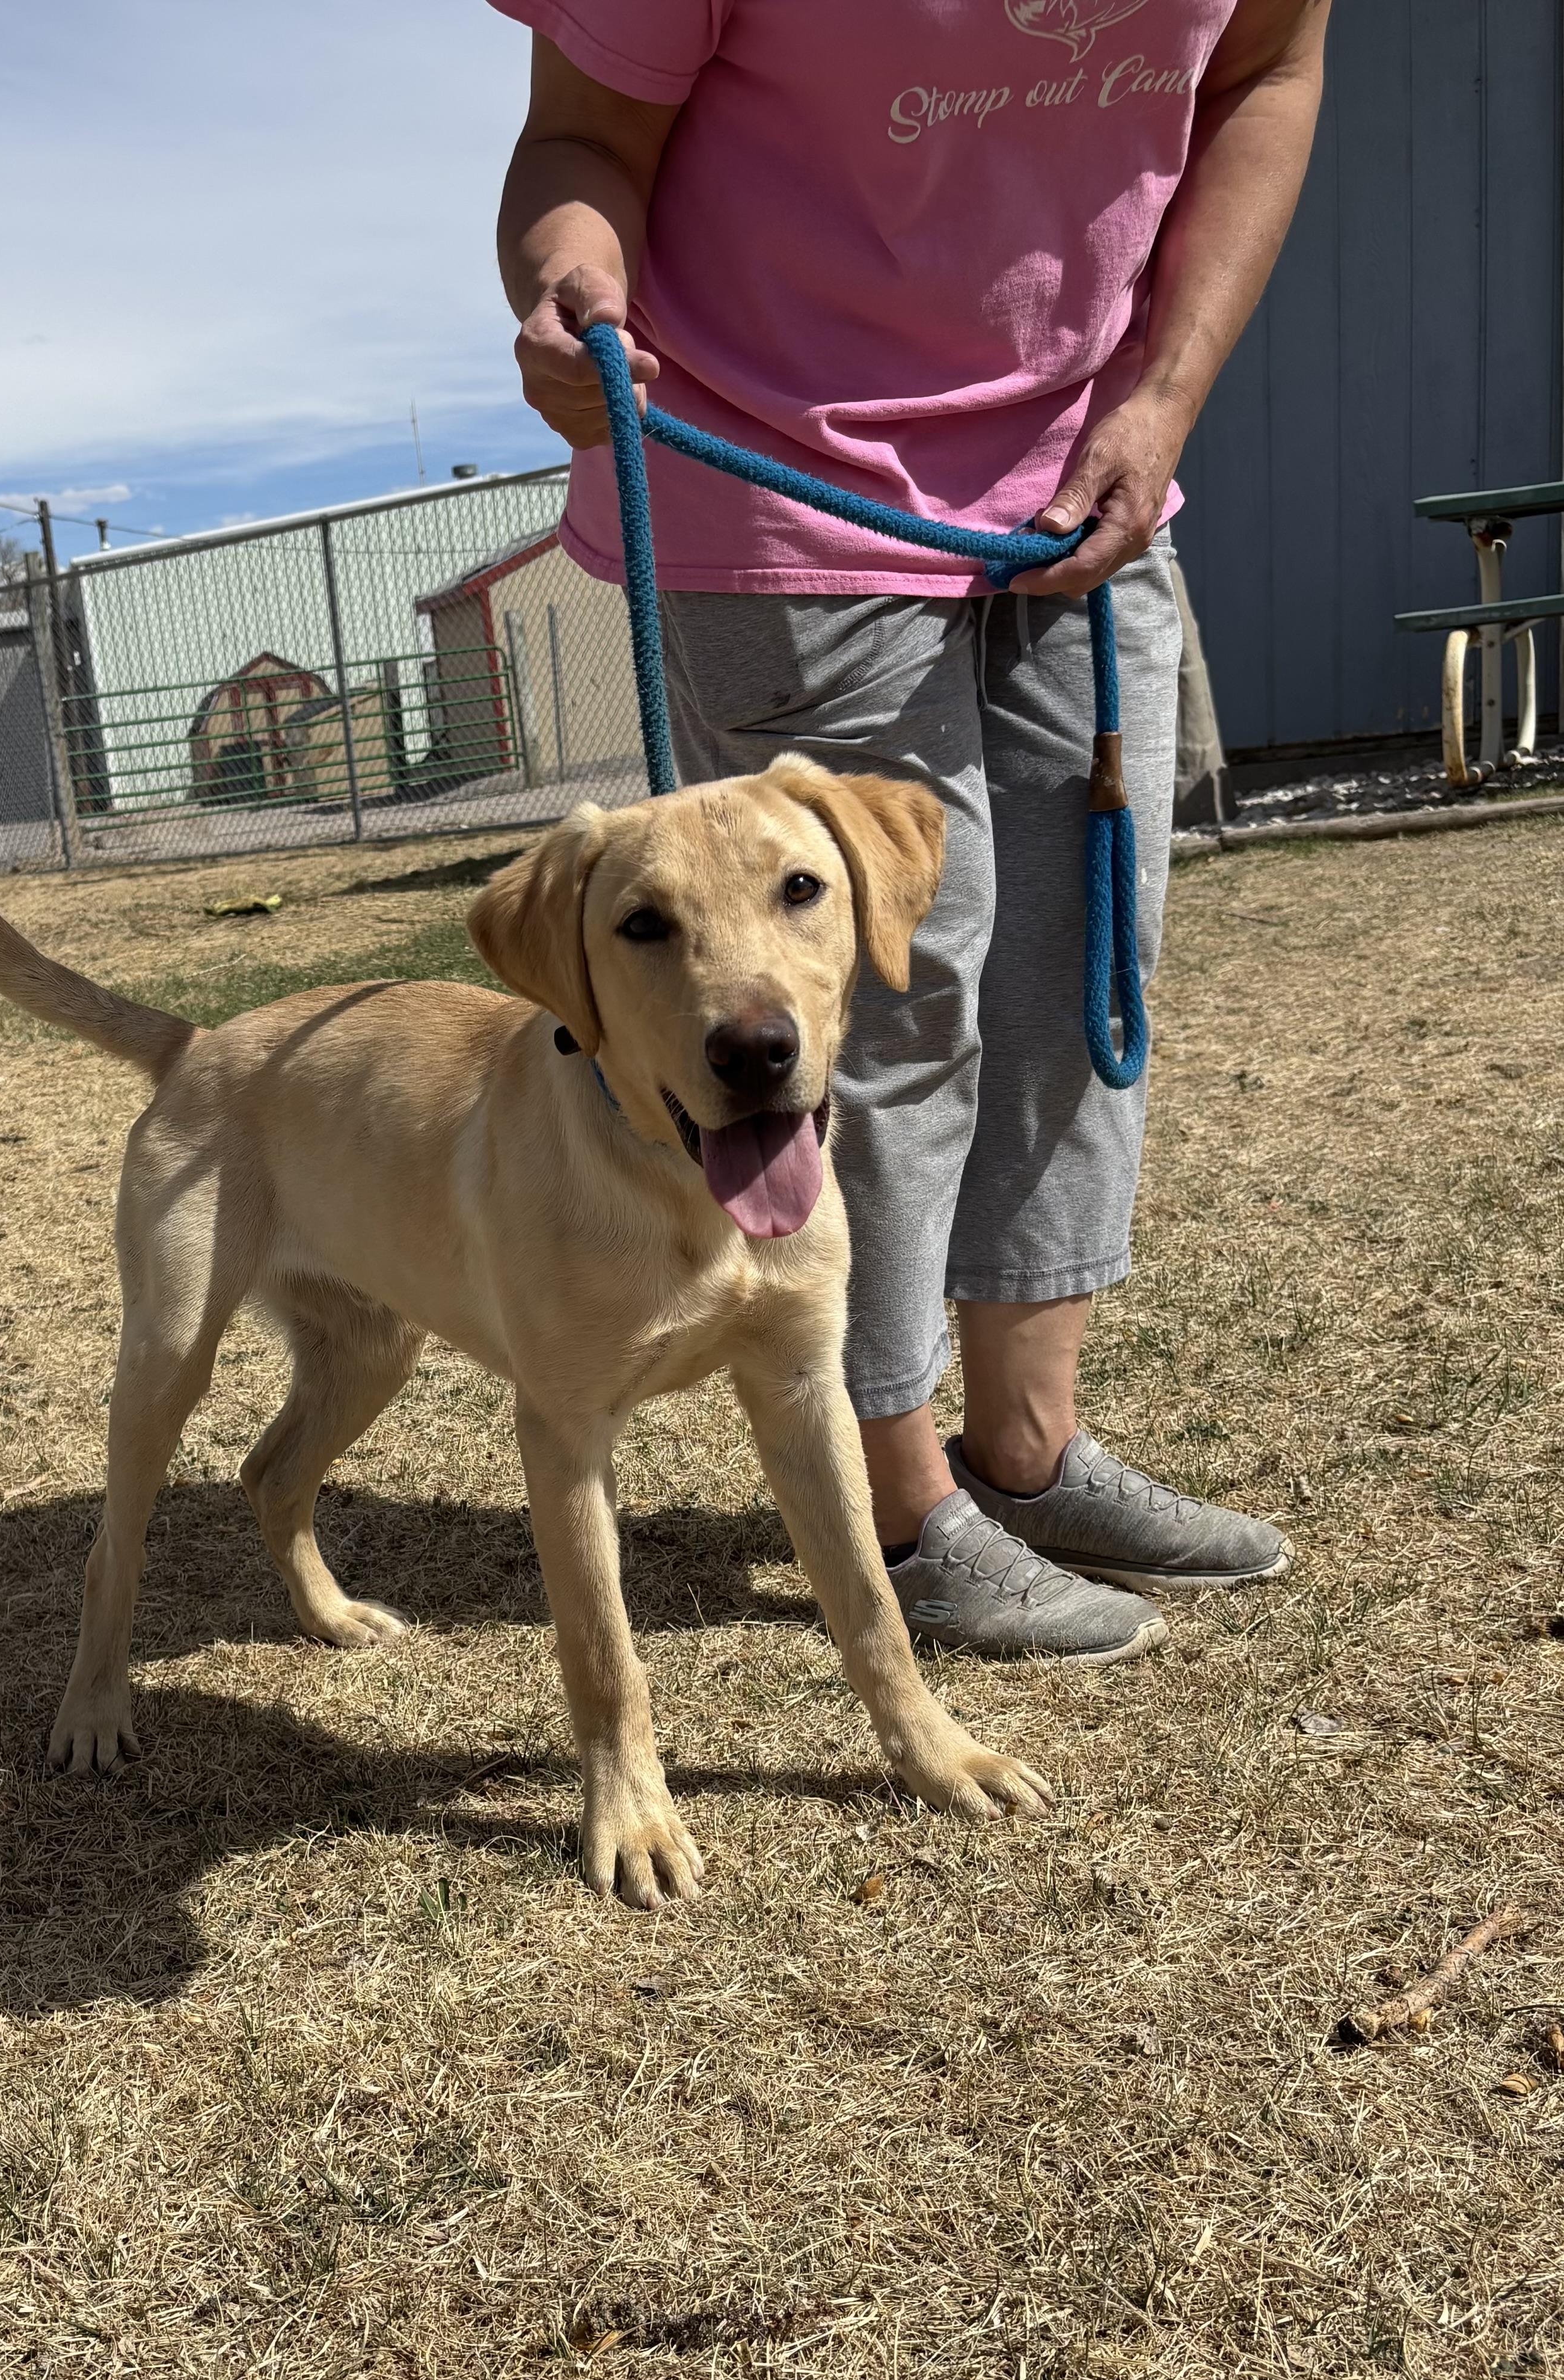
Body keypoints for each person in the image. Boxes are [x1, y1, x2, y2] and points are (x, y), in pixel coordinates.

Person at [492, 0, 1327, 1661]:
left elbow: (1270, 73)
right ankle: (898, 1493)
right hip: (773, 471)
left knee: (1077, 951)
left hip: (1086, 470)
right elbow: (583, 140)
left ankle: (1025, 1445)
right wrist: (568, 282)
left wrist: (1164, 395)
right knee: (882, 987)